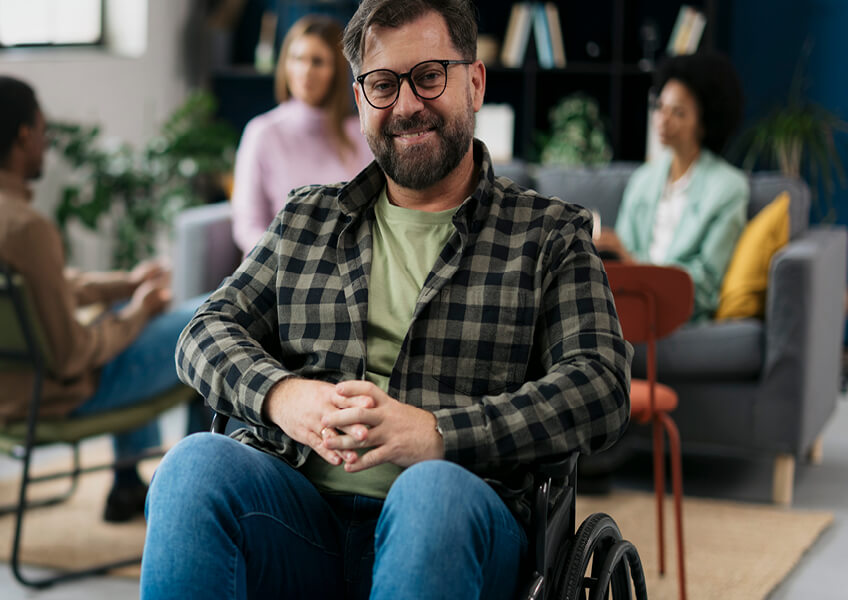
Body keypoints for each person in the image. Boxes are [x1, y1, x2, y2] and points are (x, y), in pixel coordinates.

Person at [140, 1, 632, 598]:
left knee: (431, 488)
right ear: (360, 98)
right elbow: (204, 331)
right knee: (192, 467)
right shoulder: (306, 217)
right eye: (382, 84)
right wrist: (283, 395)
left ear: (474, 83)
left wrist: (438, 435)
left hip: (458, 522)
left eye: (429, 76)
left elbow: (601, 385)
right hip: (301, 519)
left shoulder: (549, 234)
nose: (405, 105)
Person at [0, 75, 203, 523]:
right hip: (53, 396)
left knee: (124, 313)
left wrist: (125, 286)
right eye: (42, 129)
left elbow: (47, 287)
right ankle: (186, 494)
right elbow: (71, 355)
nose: (46, 141)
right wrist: (138, 314)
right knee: (213, 317)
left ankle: (129, 484)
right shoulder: (24, 227)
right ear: (24, 134)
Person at [595, 52, 748, 321]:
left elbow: (705, 285)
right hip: (628, 303)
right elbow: (620, 268)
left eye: (678, 112)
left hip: (680, 312)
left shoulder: (728, 189)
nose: (662, 120)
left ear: (704, 121)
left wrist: (630, 262)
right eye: (660, 107)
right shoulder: (644, 179)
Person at [230, 14, 375, 254]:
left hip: (345, 267)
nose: (305, 71)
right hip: (274, 266)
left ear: (336, 70)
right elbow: (247, 225)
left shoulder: (361, 133)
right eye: (297, 58)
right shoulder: (262, 132)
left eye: (317, 61)